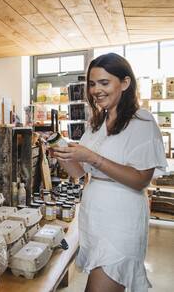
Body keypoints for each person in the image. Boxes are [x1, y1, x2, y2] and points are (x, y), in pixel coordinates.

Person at [51, 53, 167, 292]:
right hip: (95, 218)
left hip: (122, 221)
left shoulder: (141, 121)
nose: (96, 90)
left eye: (105, 83)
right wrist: (61, 154)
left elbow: (140, 180)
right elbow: (79, 173)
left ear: (125, 83)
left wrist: (92, 157)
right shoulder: (96, 124)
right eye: (92, 84)